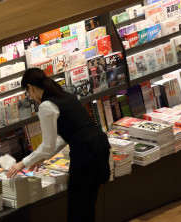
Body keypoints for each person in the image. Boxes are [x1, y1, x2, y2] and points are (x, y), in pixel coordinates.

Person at [6, 68, 111, 222]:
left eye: (27, 93)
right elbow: (63, 138)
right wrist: (43, 157)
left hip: (85, 155)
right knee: (88, 205)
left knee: (76, 208)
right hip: (101, 148)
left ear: (31, 87)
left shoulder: (46, 106)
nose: (30, 97)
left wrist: (22, 163)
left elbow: (48, 145)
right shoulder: (66, 96)